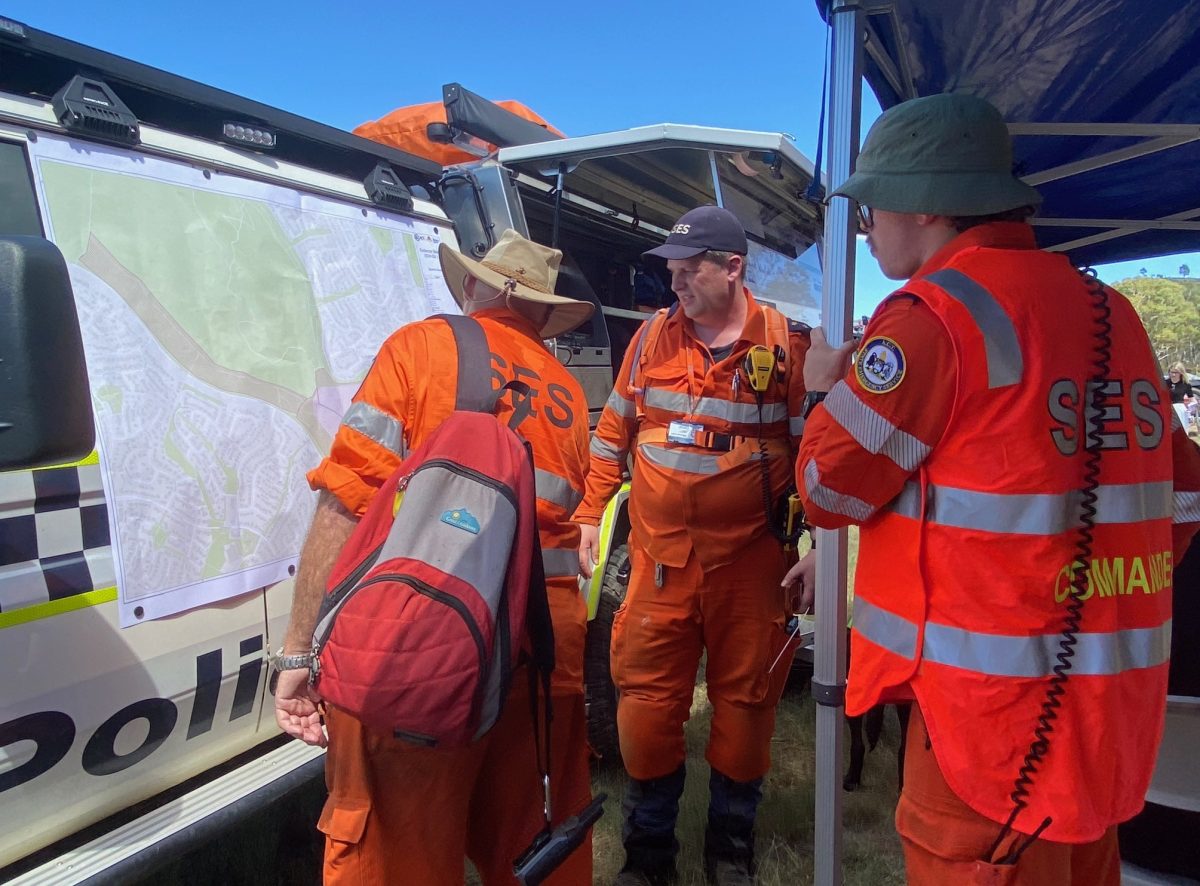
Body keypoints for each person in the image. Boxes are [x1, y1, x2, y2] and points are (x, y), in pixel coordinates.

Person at [792, 92, 1200, 885]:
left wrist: (817, 393)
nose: (867, 223)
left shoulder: (931, 319)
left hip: (983, 733)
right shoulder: (1115, 313)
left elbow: (825, 492)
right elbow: (1179, 503)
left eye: (874, 204)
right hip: (1104, 725)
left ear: (930, 204)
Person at [272, 229, 596, 885]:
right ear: (540, 311)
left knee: (396, 854)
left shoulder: (422, 348)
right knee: (534, 849)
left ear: (476, 287)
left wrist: (299, 652)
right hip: (544, 654)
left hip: (422, 647)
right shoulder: (569, 393)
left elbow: (344, 502)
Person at [573, 205, 816, 885]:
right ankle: (649, 856)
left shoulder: (784, 345)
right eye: (672, 273)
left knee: (746, 706)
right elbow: (612, 432)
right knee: (645, 706)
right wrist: (592, 511)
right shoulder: (652, 338)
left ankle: (730, 847)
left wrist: (821, 540)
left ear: (732, 267)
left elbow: (819, 453)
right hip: (659, 563)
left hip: (751, 564)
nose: (674, 285)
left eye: (688, 272)